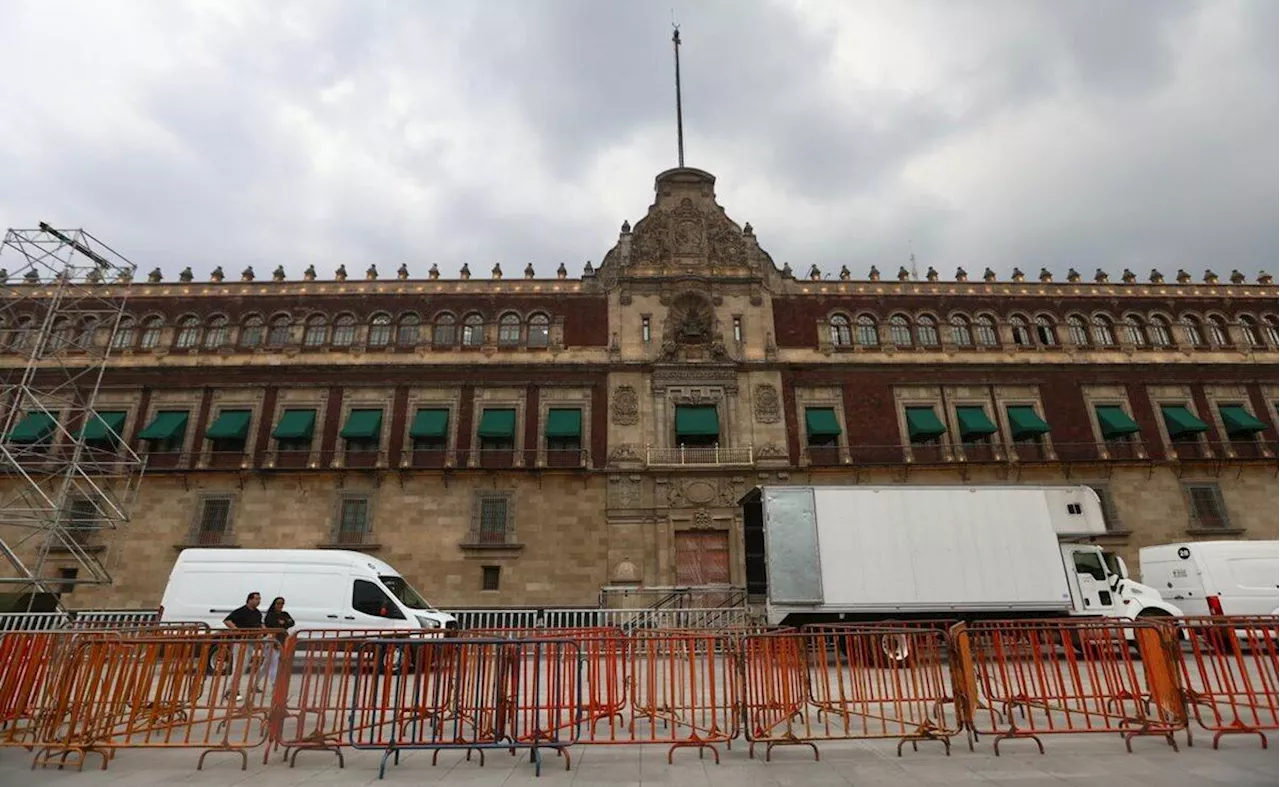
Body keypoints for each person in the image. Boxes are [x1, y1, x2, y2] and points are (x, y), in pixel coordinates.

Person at [220, 592, 262, 702]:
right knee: (239, 667)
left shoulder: (257, 613)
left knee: (242, 668)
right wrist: (236, 629)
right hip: (241, 642)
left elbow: (258, 625)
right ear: (249, 600)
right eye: (256, 598)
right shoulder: (241, 611)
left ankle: (231, 689)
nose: (258, 601)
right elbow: (227, 620)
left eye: (259, 599)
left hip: (251, 642)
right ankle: (231, 691)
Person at [259, 597, 294, 693]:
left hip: (281, 640)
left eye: (282, 603)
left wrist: (284, 622)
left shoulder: (284, 614)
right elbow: (273, 624)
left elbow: (291, 622)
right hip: (271, 640)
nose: (280, 605)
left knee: (266, 665)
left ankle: (255, 684)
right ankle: (275, 686)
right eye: (278, 603)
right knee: (274, 664)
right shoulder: (270, 615)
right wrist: (284, 623)